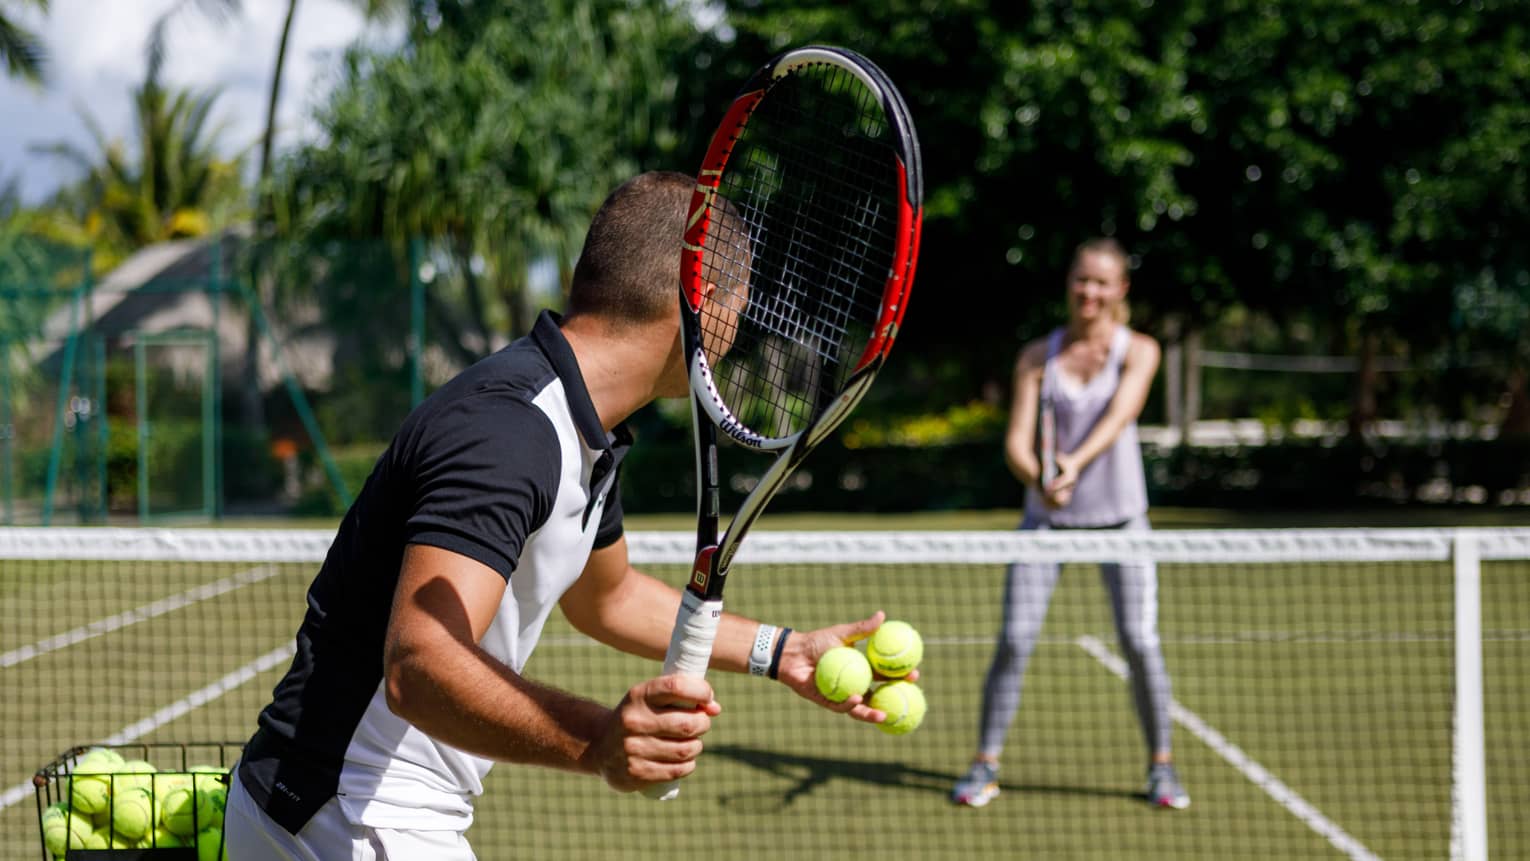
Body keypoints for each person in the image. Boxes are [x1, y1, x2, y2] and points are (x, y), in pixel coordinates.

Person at [225, 171, 900, 859]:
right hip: (353, 808)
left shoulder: (580, 429)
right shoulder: (511, 432)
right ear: (700, 301)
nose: (741, 321)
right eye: (740, 297)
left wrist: (784, 652)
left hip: (343, 806)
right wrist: (597, 741)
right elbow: (418, 665)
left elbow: (609, 597)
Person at [950, 238, 1188, 810]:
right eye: (1082, 280)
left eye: (1102, 283)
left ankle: (1162, 768)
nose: (1090, 292)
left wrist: (1074, 464)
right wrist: (1039, 480)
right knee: (1014, 640)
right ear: (1070, 284)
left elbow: (1121, 412)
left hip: (1122, 522)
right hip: (1046, 525)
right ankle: (985, 764)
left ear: (1120, 290)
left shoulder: (1142, 351)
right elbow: (1015, 442)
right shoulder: (1038, 356)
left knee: (1139, 641)